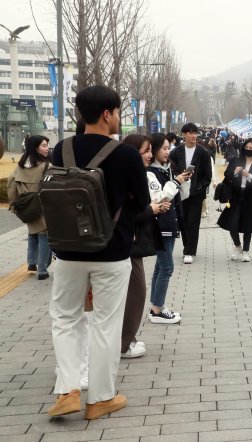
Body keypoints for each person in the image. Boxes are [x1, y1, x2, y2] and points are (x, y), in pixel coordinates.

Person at [47, 85, 149, 420]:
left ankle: (68, 392)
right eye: (118, 112)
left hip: (66, 251)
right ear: (107, 114)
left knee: (65, 318)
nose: (119, 118)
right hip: (112, 252)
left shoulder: (61, 149)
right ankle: (100, 398)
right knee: (106, 323)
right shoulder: (125, 154)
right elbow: (142, 205)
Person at [118, 134, 167, 359]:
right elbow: (130, 213)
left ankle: (126, 340)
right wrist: (152, 209)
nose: (150, 154)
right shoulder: (129, 175)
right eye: (146, 151)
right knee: (136, 293)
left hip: (126, 244)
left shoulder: (126, 172)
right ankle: (123, 343)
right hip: (126, 244)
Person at [148, 133, 189, 323]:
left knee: (160, 266)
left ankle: (156, 306)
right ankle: (157, 310)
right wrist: (177, 182)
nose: (167, 152)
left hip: (169, 221)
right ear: (154, 150)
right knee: (167, 267)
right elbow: (159, 198)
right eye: (163, 148)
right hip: (160, 223)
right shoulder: (150, 172)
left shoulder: (166, 169)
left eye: (168, 148)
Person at [7, 135, 52, 280]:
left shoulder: (20, 166)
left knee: (32, 231)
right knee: (44, 234)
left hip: (25, 204)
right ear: (35, 148)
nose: (47, 149)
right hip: (41, 204)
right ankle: (43, 270)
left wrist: (15, 203)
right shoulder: (45, 166)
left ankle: (31, 262)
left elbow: (10, 183)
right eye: (44, 145)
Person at [217, 138, 252, 262]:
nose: (248, 150)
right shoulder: (236, 160)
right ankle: (237, 246)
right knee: (232, 223)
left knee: (247, 225)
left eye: (251, 148)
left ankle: (246, 251)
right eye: (247, 148)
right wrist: (235, 172)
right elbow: (227, 175)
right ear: (243, 147)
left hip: (250, 196)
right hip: (236, 195)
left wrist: (248, 175)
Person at [169, 122, 212, 264]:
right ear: (184, 134)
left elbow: (207, 175)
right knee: (183, 221)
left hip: (196, 192)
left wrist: (200, 187)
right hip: (180, 191)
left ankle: (189, 251)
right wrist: (179, 176)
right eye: (191, 133)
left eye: (195, 133)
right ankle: (187, 246)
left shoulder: (203, 152)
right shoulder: (176, 152)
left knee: (193, 222)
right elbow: (170, 169)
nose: (194, 136)